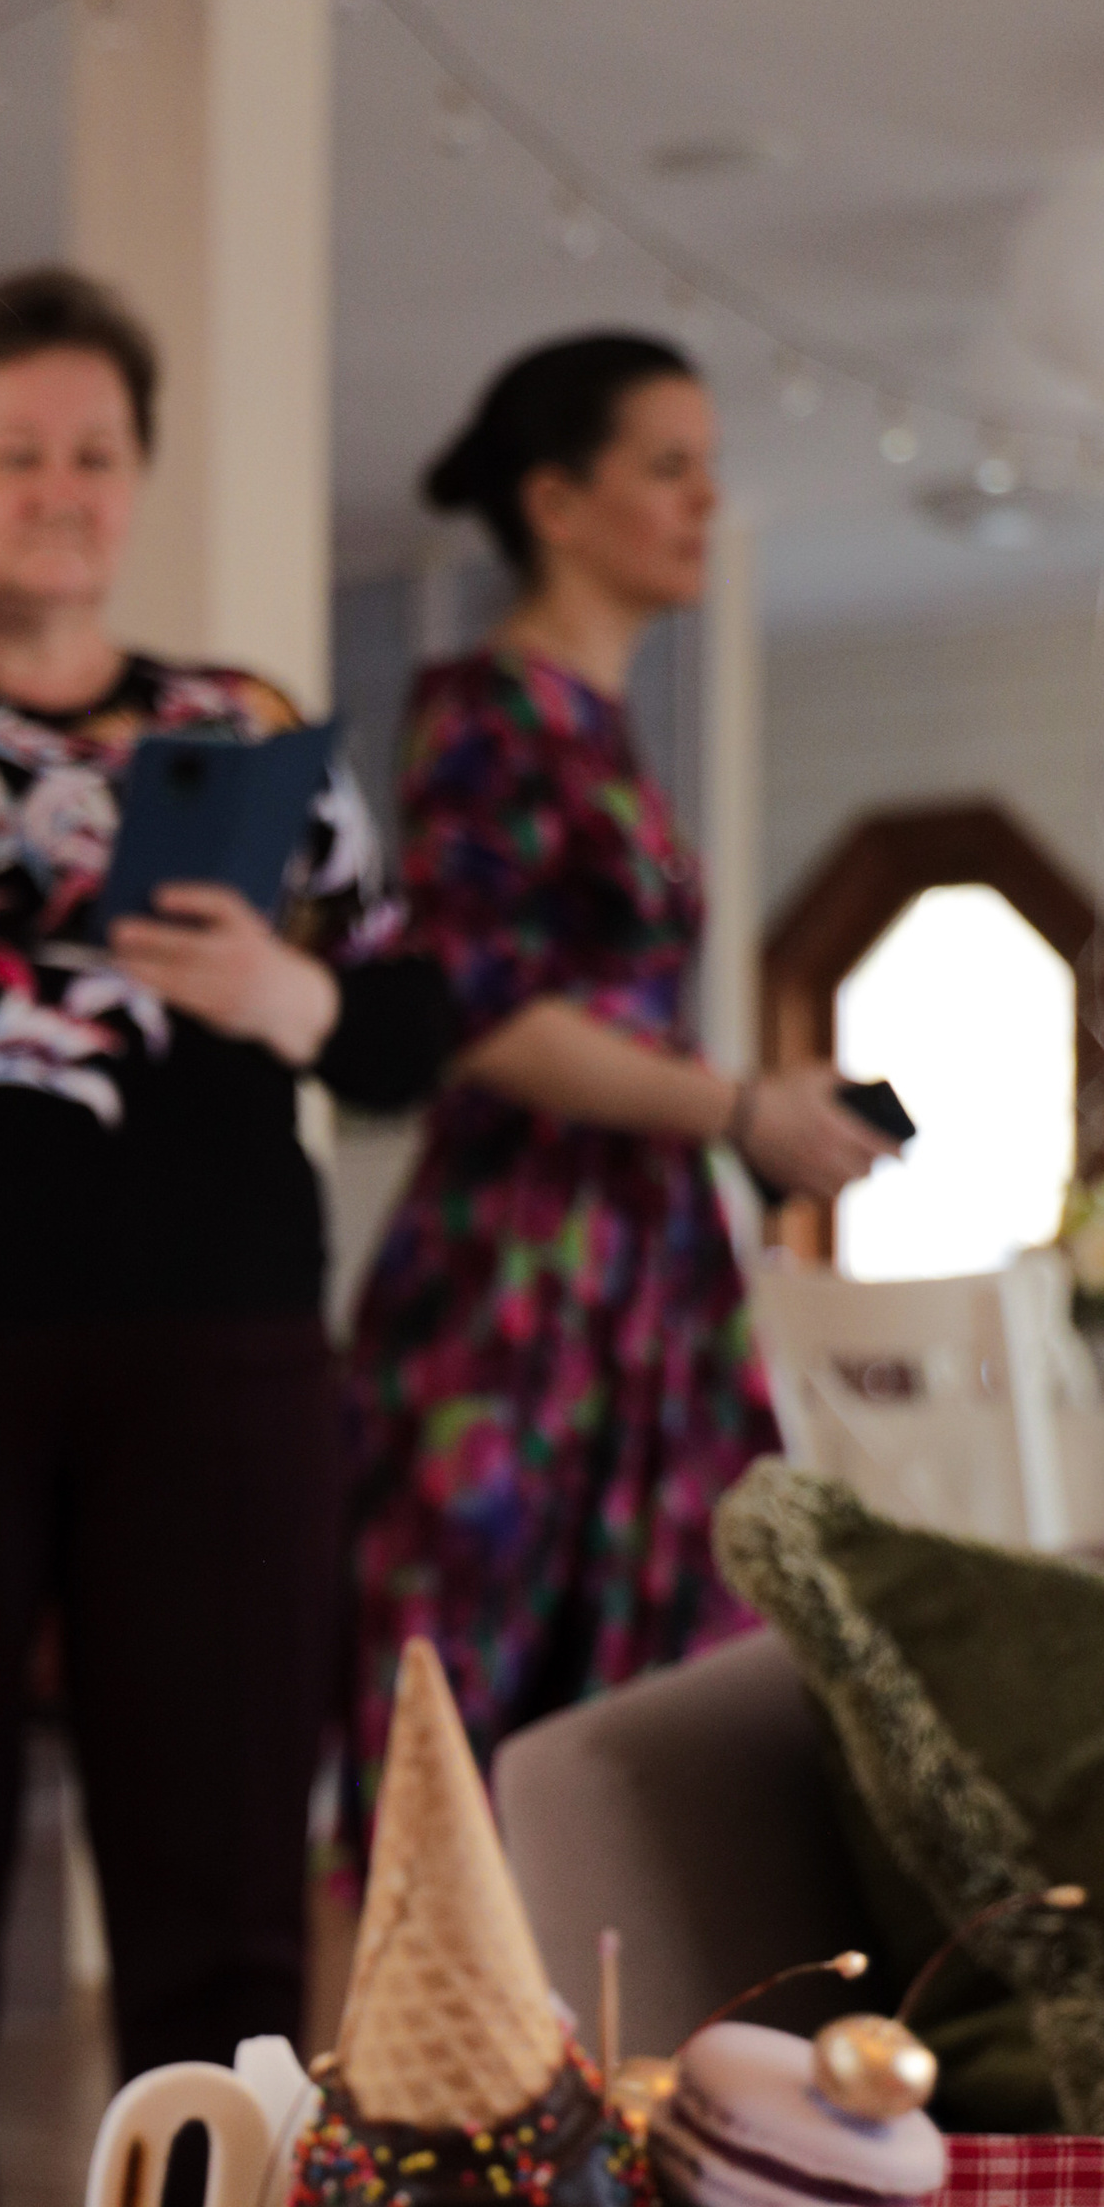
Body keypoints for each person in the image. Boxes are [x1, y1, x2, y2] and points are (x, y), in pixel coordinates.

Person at [0, 267, 451, 2207]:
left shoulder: (235, 727)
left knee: (223, 1874)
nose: (61, 491)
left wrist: (294, 995)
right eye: (12, 454)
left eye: (92, 453)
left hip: (220, 1343)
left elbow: (413, 1019)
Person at [345, 332, 890, 1805]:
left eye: (710, 470)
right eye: (669, 467)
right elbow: (489, 1005)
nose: (707, 501)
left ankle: (621, 2026)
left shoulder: (603, 727)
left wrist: (763, 1109)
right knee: (459, 1694)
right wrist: (736, 1109)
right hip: (523, 1266)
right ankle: (414, 2035)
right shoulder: (484, 705)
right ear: (558, 502)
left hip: (647, 1260)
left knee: (665, 1696)